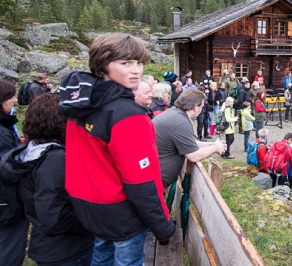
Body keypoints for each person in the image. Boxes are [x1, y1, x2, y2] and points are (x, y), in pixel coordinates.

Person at [58, 33, 175, 264]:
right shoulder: (127, 115)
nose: (136, 70)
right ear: (102, 66)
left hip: (88, 208)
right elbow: (141, 180)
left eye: (139, 63)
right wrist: (162, 225)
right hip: (121, 214)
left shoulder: (80, 104)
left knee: (101, 257)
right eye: (125, 63)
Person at [0, 94, 94, 265]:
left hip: (48, 244)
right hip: (66, 250)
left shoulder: (30, 150)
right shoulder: (54, 159)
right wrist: (90, 222)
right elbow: (52, 215)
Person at [153, 89, 226, 188]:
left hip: (154, 178)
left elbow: (191, 143)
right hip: (153, 182)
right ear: (195, 108)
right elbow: (193, 155)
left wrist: (212, 144)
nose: (202, 109)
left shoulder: (175, 114)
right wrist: (215, 148)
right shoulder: (180, 122)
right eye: (202, 106)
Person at [0, 79, 28, 266]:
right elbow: (9, 168)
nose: (15, 100)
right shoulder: (2, 133)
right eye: (11, 96)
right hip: (6, 204)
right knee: (9, 251)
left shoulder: (6, 127)